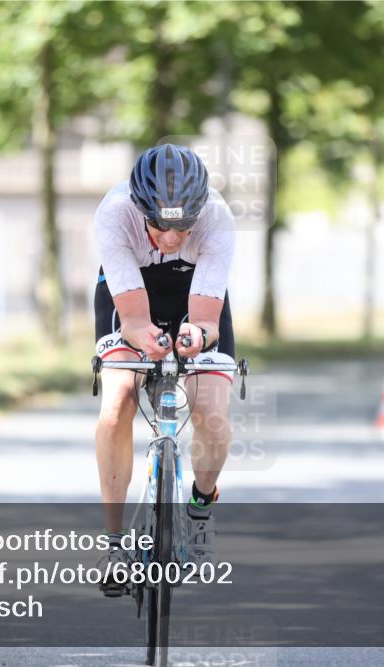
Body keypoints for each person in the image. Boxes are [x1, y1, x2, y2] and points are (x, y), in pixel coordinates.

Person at [92, 144, 236, 596]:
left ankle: (198, 512)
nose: (172, 238)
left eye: (183, 226)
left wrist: (197, 336)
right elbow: (133, 320)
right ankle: (114, 544)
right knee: (117, 400)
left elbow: (207, 320)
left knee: (211, 411)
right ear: (139, 208)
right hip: (131, 295)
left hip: (195, 293)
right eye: (160, 225)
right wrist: (147, 338)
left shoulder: (217, 215)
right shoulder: (114, 214)